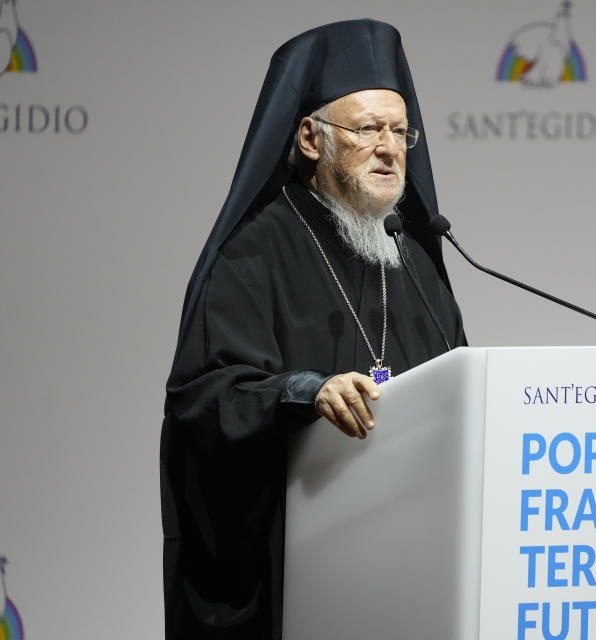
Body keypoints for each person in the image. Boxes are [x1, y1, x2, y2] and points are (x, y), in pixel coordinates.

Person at [160, 20, 466, 639]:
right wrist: (304, 392)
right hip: (291, 579)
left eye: (401, 131)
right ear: (308, 138)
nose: (390, 148)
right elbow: (202, 399)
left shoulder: (415, 263)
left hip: (408, 575)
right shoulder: (252, 254)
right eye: (368, 129)